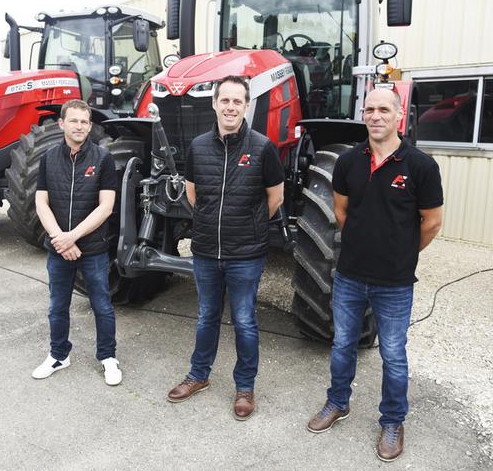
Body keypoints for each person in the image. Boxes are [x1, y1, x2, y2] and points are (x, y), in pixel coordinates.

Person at [306, 88, 444, 462]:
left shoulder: (420, 166)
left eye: (384, 109)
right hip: (350, 275)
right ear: (363, 115)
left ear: (399, 115)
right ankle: (337, 403)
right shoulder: (349, 162)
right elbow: (341, 210)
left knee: (394, 355)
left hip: (395, 283)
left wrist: (399, 253)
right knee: (342, 345)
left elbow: (431, 223)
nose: (375, 115)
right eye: (369, 109)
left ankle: (393, 421)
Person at [166, 75, 285, 420]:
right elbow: (192, 193)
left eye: (238, 101)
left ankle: (245, 387)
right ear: (215, 104)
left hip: (245, 253)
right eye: (225, 100)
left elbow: (274, 198)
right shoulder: (198, 146)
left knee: (245, 321)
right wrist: (206, 221)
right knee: (206, 317)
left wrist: (249, 226)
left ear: (246, 106)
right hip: (205, 250)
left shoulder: (262, 147)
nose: (231, 107)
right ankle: (198, 375)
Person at [31, 99, 122, 386]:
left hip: (92, 248)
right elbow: (41, 201)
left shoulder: (103, 158)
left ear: (90, 125)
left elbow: (106, 207)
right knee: (57, 305)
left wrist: (73, 236)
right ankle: (58, 355)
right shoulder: (48, 158)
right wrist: (60, 238)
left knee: (102, 305)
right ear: (62, 124)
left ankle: (108, 357)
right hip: (59, 248)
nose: (80, 126)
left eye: (84, 121)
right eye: (74, 120)